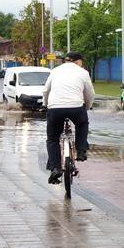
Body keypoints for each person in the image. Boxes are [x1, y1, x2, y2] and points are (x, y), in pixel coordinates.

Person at [43, 51, 95, 184]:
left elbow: (46, 91)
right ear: (77, 61)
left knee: (52, 139)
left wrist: (46, 105)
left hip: (55, 108)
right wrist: (88, 107)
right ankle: (81, 150)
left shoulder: (54, 71)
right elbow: (89, 93)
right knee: (82, 123)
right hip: (76, 107)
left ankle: (55, 168)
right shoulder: (83, 72)